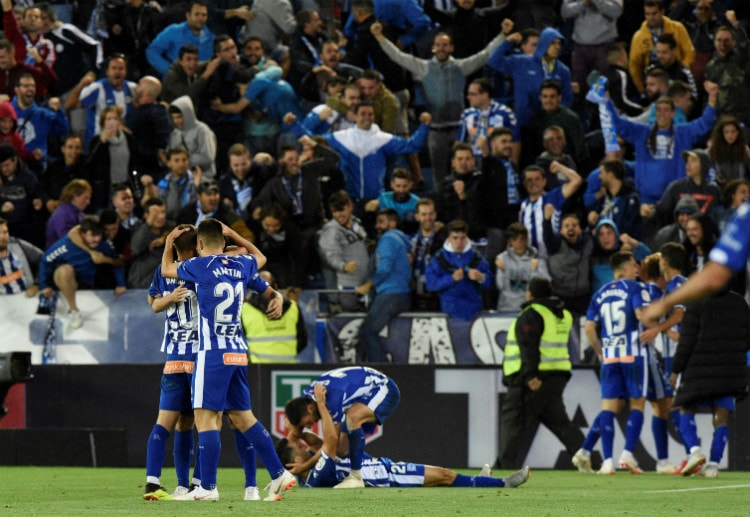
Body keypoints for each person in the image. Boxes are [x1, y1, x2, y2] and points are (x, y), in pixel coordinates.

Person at [160, 219, 296, 501]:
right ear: (224, 242)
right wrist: (237, 235)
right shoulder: (242, 264)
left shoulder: (199, 266)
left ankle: (207, 487)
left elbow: (166, 270)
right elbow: (261, 257)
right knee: (243, 417)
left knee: (205, 417)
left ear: (198, 245)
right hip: (237, 350)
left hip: (212, 353)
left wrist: (168, 244)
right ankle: (279, 473)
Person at [280, 383, 530, 489]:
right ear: (295, 464)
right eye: (297, 449)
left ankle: (478, 481)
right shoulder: (315, 475)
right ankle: (503, 483)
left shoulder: (310, 466)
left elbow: (315, 442)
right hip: (386, 477)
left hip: (381, 467)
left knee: (444, 475)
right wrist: (321, 404)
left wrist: (296, 433)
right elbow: (329, 443)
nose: (302, 445)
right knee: (445, 475)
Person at [370, 20, 507, 187]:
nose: (441, 48)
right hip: (435, 131)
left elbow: (485, 55)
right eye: (438, 45)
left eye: (445, 45)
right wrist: (379, 37)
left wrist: (502, 35)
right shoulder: (424, 67)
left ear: (451, 48)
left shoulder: (461, 66)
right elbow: (398, 56)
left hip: (460, 131)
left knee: (465, 175)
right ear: (433, 47)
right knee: (439, 179)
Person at [498, 277, 583, 469]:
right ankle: (589, 458)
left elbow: (528, 346)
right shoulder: (562, 314)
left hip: (532, 379)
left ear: (530, 293)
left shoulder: (532, 314)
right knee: (560, 423)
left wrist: (530, 376)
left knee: (512, 421)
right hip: (557, 376)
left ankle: (504, 467)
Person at [143, 224, 200, 500]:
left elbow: (153, 304)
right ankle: (197, 483)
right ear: (196, 246)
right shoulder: (201, 268)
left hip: (173, 359)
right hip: (197, 357)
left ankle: (158, 481)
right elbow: (155, 304)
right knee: (204, 422)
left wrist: (168, 297)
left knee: (175, 423)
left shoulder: (164, 270)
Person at [670, 286, 750, 478]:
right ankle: (713, 465)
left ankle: (695, 452)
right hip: (730, 368)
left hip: (699, 367)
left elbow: (686, 340)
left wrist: (676, 369)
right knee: (721, 417)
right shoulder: (739, 302)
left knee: (686, 407)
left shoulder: (697, 300)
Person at [584, 251, 651, 474]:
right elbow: (641, 316)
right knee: (638, 403)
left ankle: (607, 462)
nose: (637, 269)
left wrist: (600, 351)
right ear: (623, 269)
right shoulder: (635, 288)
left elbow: (589, 327)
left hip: (610, 356)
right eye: (633, 266)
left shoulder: (599, 293)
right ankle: (628, 454)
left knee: (608, 408)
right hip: (632, 353)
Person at [284, 366, 401, 489]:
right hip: (366, 392)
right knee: (342, 449)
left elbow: (331, 444)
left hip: (385, 389)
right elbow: (335, 447)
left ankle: (356, 476)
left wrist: (305, 466)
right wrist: (295, 431)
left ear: (310, 408)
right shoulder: (308, 397)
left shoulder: (329, 402)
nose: (310, 426)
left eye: (308, 422)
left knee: (353, 418)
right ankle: (374, 466)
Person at [39, 215, 126, 329]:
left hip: (93, 282)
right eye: (93, 235)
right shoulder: (64, 246)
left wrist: (121, 284)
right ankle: (73, 311)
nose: (97, 239)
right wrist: (43, 285)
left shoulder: (102, 245)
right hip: (70, 283)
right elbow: (45, 261)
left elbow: (117, 264)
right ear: (83, 234)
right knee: (64, 270)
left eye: (99, 235)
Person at [488, 26, 573, 128]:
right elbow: (493, 61)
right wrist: (507, 42)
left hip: (549, 125)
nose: (557, 47)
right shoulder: (522, 62)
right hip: (524, 122)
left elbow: (567, 99)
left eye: (559, 43)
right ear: (544, 43)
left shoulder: (563, 70)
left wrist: (555, 118)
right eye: (553, 43)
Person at [356, 208, 412, 363]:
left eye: (381, 222)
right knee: (365, 336)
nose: (377, 226)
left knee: (366, 333)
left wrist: (367, 285)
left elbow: (385, 269)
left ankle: (385, 373)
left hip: (391, 294)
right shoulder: (402, 240)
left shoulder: (388, 239)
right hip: (400, 294)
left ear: (392, 223)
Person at [425, 219, 492, 321]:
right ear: (448, 238)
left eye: (462, 238)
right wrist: (451, 278)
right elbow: (430, 284)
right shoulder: (439, 258)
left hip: (474, 312)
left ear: (467, 237)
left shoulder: (476, 257)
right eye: (455, 238)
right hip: (448, 312)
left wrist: (481, 277)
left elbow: (491, 282)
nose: (459, 242)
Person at [66, 54, 136, 151]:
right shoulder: (97, 88)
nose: (117, 72)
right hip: (98, 143)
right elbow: (69, 105)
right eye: (114, 68)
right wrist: (81, 85)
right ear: (107, 71)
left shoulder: (132, 89)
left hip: (121, 144)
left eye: (121, 68)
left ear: (126, 71)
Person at [317, 190, 369, 312]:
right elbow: (330, 255)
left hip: (362, 283)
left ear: (350, 207)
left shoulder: (357, 224)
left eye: (341, 210)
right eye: (334, 211)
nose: (338, 214)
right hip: (346, 287)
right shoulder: (331, 230)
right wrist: (343, 266)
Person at [519, 162, 582, 259]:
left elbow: (576, 180)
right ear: (524, 184)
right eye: (529, 180)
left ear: (544, 181)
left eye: (537, 179)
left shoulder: (552, 197)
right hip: (531, 261)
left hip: (552, 258)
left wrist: (560, 167)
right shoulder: (523, 206)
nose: (533, 183)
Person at [629, 0, 695, 93]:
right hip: (653, 77)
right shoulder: (638, 37)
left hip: (676, 73)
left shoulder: (677, 28)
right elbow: (634, 65)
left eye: (654, 13)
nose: (651, 17)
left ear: (662, 11)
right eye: (647, 14)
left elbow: (689, 52)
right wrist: (642, 89)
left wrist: (682, 71)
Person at [82, 106, 139, 213]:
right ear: (103, 122)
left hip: (125, 185)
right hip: (105, 190)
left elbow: (135, 162)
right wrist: (102, 142)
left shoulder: (129, 138)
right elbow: (90, 164)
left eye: (115, 118)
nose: (112, 122)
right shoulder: (96, 141)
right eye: (109, 119)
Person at [241, 270, 306, 364]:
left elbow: (239, 343)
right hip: (288, 369)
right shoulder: (292, 307)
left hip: (258, 371)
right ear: (275, 286)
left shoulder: (245, 309)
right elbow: (302, 340)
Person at [457, 77, 518, 167]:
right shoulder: (467, 114)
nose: (468, 97)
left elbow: (516, 141)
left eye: (472, 94)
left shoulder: (505, 113)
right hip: (472, 162)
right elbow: (459, 142)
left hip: (497, 162)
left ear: (485, 95)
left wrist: (513, 166)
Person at [146, 1, 214, 78]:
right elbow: (152, 51)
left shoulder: (211, 37)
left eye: (204, 15)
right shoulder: (174, 31)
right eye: (197, 14)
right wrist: (169, 70)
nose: (200, 18)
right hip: (175, 84)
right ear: (188, 15)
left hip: (200, 83)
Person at [704, 11, 749, 123]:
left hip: (742, 118)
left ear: (733, 42)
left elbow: (744, 46)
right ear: (714, 42)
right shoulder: (710, 66)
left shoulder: (740, 60)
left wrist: (735, 24)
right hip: (720, 119)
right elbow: (709, 95)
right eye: (719, 40)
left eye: (726, 40)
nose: (723, 44)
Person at [495, 222, 549, 312]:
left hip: (530, 308)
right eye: (515, 239)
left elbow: (546, 283)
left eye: (522, 238)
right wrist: (503, 271)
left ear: (527, 239)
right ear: (510, 242)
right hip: (506, 309)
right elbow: (500, 286)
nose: (519, 242)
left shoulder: (537, 257)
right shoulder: (502, 259)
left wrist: (536, 271)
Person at [166, 95, 217, 180]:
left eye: (179, 117)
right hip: (181, 179)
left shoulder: (202, 130)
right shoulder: (175, 133)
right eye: (173, 118)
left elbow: (207, 157)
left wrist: (184, 161)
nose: (176, 121)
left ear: (187, 114)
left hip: (203, 178)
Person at [0, 216, 42, 296]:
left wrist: (37, 283)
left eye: (5, 232)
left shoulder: (17, 244)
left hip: (27, 296)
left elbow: (44, 259)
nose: (3, 237)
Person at [45, 179, 91, 249]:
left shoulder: (79, 214)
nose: (88, 202)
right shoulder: (63, 215)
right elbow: (67, 241)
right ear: (75, 196)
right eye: (86, 198)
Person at [708, 116, 750, 186]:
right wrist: (716, 177)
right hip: (720, 190)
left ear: (738, 133)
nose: (730, 135)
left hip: (741, 190)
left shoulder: (745, 150)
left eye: (733, 131)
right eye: (726, 132)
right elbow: (709, 173)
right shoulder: (712, 151)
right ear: (721, 134)